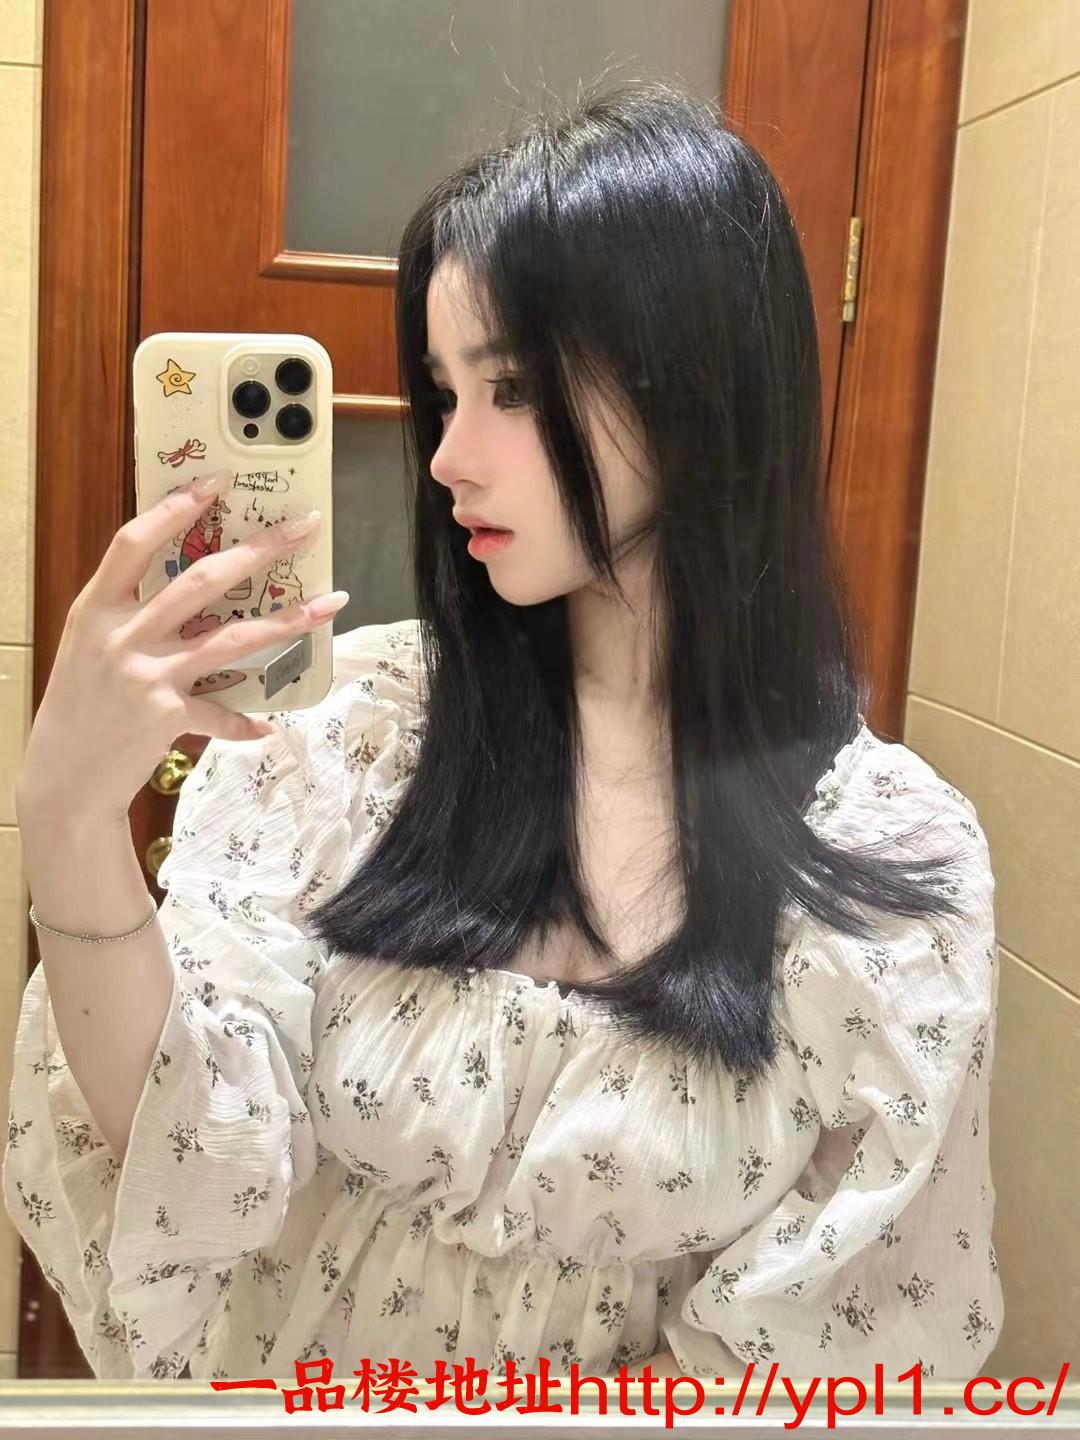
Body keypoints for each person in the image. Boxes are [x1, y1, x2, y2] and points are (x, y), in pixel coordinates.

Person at [4, 76, 1002, 1384]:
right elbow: (191, 1154)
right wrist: (70, 826)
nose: (447, 457)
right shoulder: (353, 736)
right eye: (445, 391)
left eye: (514, 387)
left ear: (702, 390)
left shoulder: (889, 856)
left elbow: (829, 1335)